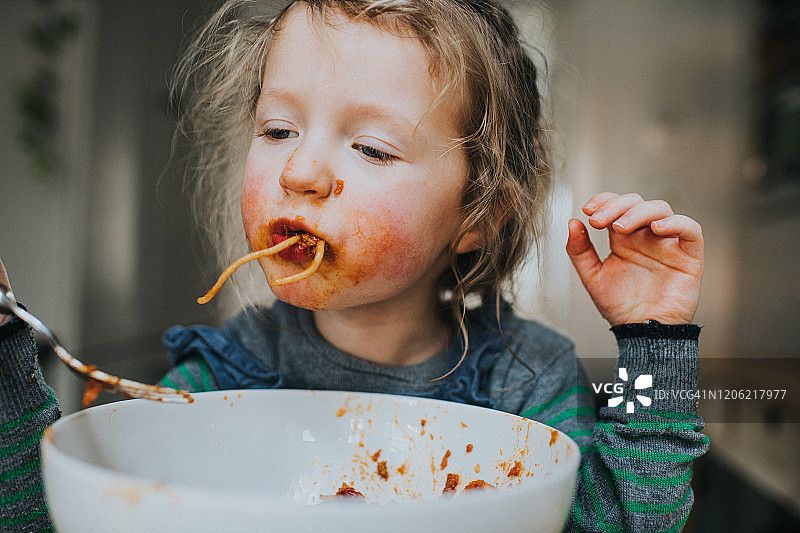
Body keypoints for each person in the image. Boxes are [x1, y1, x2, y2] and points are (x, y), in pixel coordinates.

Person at [1, 0, 708, 531]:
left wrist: (653, 345)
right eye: (278, 130)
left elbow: (628, 520)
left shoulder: (525, 380)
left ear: (476, 216)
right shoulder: (221, 377)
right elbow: (46, 515)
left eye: (371, 147)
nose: (300, 169)